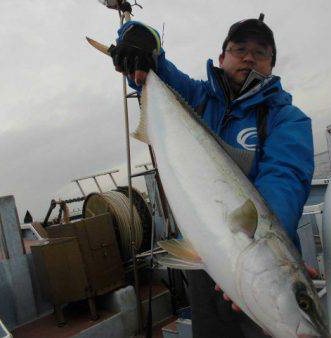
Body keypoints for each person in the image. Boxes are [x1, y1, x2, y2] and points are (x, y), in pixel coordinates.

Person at [110, 13, 315, 338]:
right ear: (222, 58)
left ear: (272, 64)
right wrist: (138, 39)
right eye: (239, 49)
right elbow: (154, 68)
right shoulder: (197, 98)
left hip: (246, 259)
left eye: (260, 52)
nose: (249, 57)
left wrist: (265, 252)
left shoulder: (287, 120)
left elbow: (285, 179)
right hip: (206, 271)